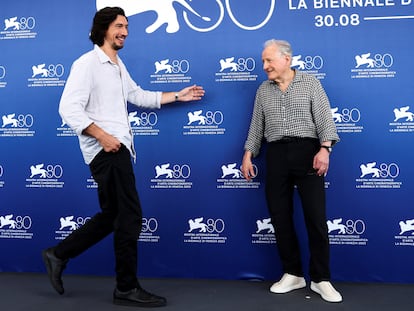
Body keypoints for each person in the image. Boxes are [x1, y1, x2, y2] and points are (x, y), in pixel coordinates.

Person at [42, 7, 205, 308]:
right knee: (129, 217)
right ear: (103, 28)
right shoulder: (87, 63)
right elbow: (68, 109)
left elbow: (138, 95)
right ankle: (126, 288)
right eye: (119, 26)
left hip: (117, 149)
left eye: (127, 27)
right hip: (107, 150)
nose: (125, 32)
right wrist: (104, 137)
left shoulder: (116, 64)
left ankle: (59, 254)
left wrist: (178, 95)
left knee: (112, 216)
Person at [241, 39, 342, 303]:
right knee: (279, 216)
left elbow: (325, 119)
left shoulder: (310, 82)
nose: (264, 66)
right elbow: (256, 127)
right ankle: (293, 274)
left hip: (308, 153)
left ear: (287, 59)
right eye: (263, 61)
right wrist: (248, 155)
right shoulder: (263, 90)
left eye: (268, 60)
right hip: (275, 155)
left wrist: (325, 149)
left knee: (316, 218)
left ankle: (321, 279)